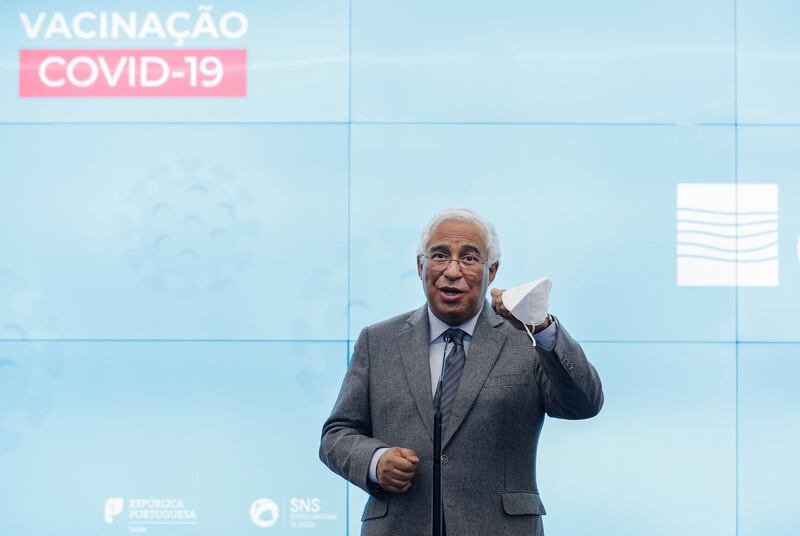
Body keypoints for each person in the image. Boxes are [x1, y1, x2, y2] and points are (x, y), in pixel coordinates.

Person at [319, 208, 603, 536]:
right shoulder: (377, 341)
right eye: (440, 255)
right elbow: (336, 434)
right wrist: (375, 460)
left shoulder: (527, 338)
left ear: (491, 271)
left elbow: (583, 404)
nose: (452, 271)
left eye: (469, 258)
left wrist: (541, 327)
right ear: (420, 266)